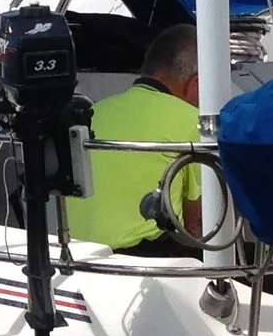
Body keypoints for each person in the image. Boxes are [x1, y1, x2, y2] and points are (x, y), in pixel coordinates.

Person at [68, 24, 204, 256]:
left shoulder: (95, 112)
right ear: (196, 83)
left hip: (79, 257)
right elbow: (199, 225)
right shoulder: (193, 121)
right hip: (149, 262)